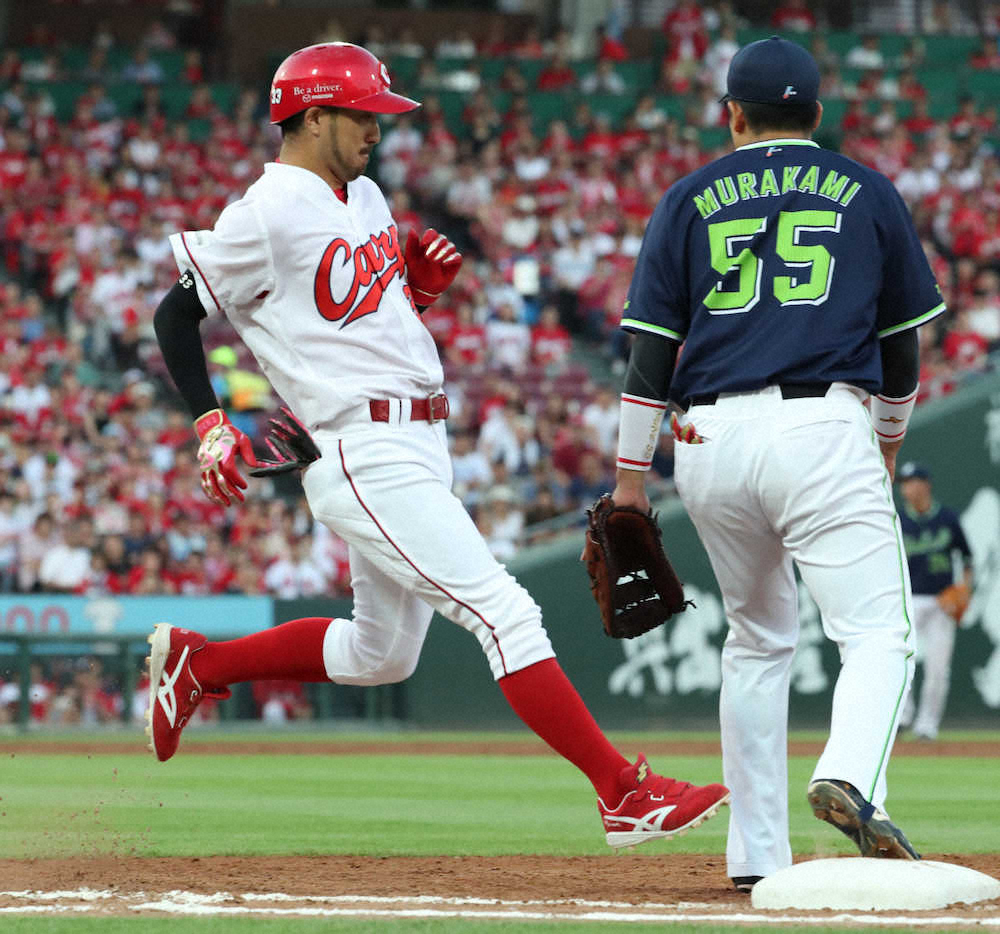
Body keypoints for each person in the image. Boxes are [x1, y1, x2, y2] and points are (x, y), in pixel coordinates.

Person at [148, 41, 729, 850]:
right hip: (361, 446)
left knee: (380, 654)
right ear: (312, 116)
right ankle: (621, 792)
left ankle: (199, 667)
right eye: (363, 114)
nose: (377, 130)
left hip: (418, 436)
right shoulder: (265, 212)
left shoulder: (364, 196)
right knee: (505, 612)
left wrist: (414, 292)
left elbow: (354, 326)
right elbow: (174, 315)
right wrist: (212, 423)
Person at [610, 37, 945, 889]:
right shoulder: (867, 190)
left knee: (756, 641)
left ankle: (756, 857)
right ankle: (851, 776)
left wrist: (628, 481)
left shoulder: (688, 197)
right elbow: (901, 346)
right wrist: (888, 440)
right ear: (818, 114)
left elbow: (651, 353)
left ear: (732, 115)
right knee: (877, 633)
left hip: (709, 439)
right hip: (821, 425)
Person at [896, 462, 973, 741]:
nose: (908, 488)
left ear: (926, 484)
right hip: (906, 601)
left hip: (941, 602)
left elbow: (967, 560)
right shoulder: (897, 520)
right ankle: (903, 717)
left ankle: (927, 725)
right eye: (904, 483)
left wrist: (964, 591)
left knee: (938, 669)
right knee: (900, 662)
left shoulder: (947, 519)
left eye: (913, 481)